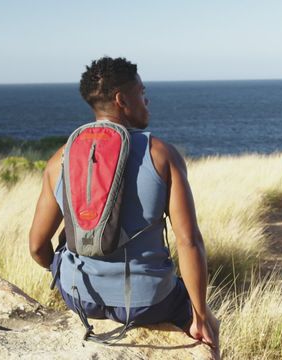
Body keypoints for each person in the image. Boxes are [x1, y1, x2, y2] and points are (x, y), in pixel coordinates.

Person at [28, 56, 219, 351]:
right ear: (122, 100)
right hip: (149, 302)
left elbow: (37, 247)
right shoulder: (161, 155)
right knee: (211, 326)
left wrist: (66, 274)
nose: (147, 100)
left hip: (79, 295)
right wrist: (200, 315)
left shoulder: (61, 158)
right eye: (142, 93)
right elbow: (189, 241)